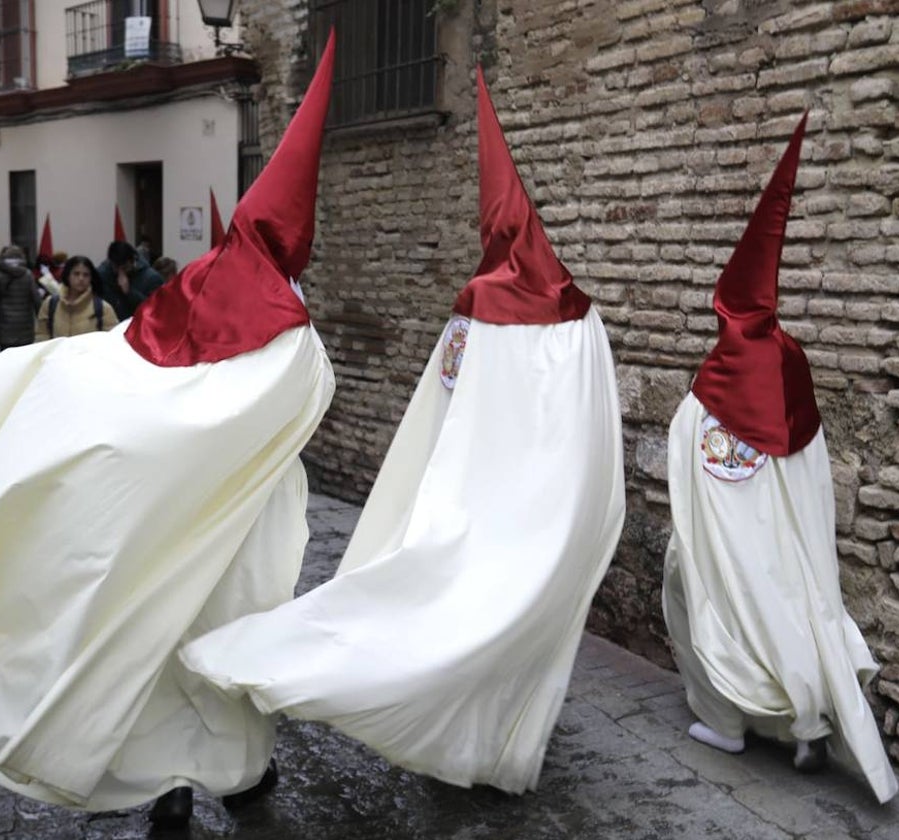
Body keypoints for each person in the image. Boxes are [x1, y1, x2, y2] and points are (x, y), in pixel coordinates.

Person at [0, 32, 337, 828]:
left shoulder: (193, 286)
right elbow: (287, 414)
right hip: (226, 523)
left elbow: (123, 364)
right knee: (202, 646)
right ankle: (213, 781)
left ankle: (195, 785)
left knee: (152, 649)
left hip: (170, 510)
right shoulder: (296, 343)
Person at [180, 67, 626, 795]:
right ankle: (488, 741)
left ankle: (454, 734)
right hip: (545, 505)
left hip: (477, 498)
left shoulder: (476, 307)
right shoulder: (582, 318)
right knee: (513, 625)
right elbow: (593, 419)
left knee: (455, 618)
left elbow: (440, 408)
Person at [659, 113, 898, 804]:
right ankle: (806, 726)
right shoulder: (790, 361)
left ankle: (727, 720)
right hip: (786, 529)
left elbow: (689, 446)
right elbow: (811, 456)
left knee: (701, 589)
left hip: (730, 528)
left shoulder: (717, 376)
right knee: (796, 603)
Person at [35, 256, 117, 341]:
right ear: (68, 275)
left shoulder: (103, 308)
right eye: (76, 274)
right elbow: (41, 337)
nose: (81, 278)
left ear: (91, 278)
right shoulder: (51, 304)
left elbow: (111, 342)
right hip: (57, 354)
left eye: (86, 275)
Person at [97, 240, 164, 321]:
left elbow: (155, 310)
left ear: (133, 261)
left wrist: (130, 292)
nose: (120, 272)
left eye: (124, 268)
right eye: (116, 268)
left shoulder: (152, 278)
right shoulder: (103, 274)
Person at [0, 244, 39, 350]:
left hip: (5, 324)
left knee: (7, 357)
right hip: (25, 325)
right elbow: (36, 298)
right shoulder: (28, 274)